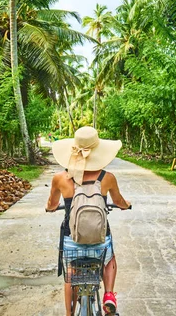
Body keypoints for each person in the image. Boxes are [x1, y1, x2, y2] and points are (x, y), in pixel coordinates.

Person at [46, 126, 131, 316]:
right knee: (110, 260)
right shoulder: (107, 178)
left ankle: (69, 314)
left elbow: (52, 204)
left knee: (70, 273)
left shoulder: (60, 178)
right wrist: (125, 205)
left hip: (71, 239)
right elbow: (119, 202)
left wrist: (50, 207)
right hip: (100, 241)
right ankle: (109, 296)